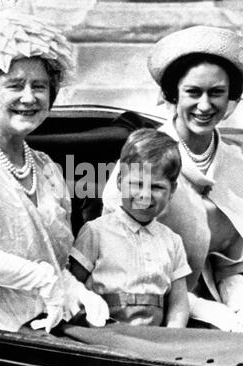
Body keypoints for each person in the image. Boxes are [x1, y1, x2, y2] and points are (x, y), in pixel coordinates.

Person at [0, 0, 109, 333]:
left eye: (39, 86)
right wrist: (42, 279)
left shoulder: (46, 167)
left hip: (57, 326)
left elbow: (55, 259)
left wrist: (75, 289)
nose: (29, 97)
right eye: (15, 85)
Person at [102, 26, 243, 332]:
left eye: (217, 92)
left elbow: (234, 262)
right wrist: (205, 309)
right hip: (152, 314)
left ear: (231, 97)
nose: (205, 106)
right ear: (173, 95)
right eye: (193, 92)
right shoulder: (142, 159)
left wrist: (239, 304)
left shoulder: (237, 162)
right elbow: (120, 264)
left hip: (226, 306)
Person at [70, 128, 191, 328]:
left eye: (157, 187)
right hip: (103, 333)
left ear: (172, 191)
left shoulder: (172, 241)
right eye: (136, 184)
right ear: (119, 182)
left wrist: (173, 336)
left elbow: (179, 301)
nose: (144, 195)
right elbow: (73, 284)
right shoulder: (96, 232)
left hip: (153, 340)